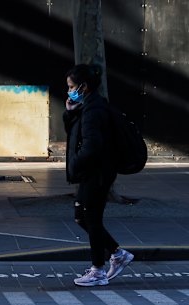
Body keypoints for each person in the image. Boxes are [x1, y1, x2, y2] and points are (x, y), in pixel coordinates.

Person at [63, 64, 134, 287]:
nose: (69, 91)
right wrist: (71, 111)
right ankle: (117, 254)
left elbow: (92, 146)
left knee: (91, 219)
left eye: (72, 87)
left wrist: (75, 164)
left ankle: (98, 270)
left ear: (84, 87)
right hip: (92, 173)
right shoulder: (88, 106)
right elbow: (75, 133)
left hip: (97, 174)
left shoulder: (94, 110)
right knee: (81, 217)